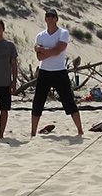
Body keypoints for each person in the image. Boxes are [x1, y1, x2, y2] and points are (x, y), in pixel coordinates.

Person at [30, 8, 83, 137]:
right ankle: (33, 132)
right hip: (44, 71)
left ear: (56, 18)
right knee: (38, 102)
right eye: (48, 16)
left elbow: (57, 51)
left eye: (52, 16)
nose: (50, 18)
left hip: (59, 71)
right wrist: (50, 51)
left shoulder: (63, 33)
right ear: (45, 18)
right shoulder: (40, 35)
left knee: (69, 101)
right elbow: (39, 57)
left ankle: (80, 130)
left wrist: (42, 49)